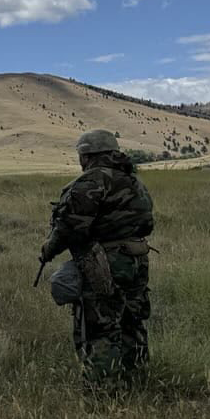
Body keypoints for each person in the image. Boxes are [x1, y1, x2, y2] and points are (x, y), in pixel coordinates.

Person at [39, 129, 154, 387]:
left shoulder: (90, 182)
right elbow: (147, 223)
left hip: (103, 263)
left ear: (87, 155)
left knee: (100, 327)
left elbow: (70, 229)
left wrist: (48, 250)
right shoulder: (134, 181)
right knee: (133, 321)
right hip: (137, 259)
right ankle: (136, 380)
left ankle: (102, 393)